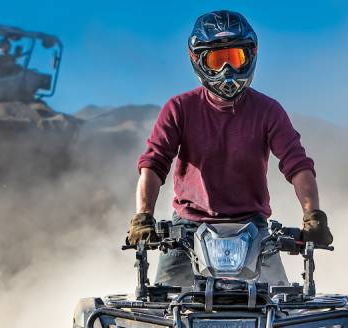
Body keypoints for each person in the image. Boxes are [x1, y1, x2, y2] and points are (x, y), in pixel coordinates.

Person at [129, 10, 333, 287]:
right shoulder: (179, 108)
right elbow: (154, 163)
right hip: (188, 227)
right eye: (217, 60)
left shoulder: (268, 111)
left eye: (235, 58)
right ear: (198, 61)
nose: (227, 70)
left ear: (251, 56)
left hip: (253, 227)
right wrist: (143, 217)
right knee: (162, 301)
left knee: (281, 299)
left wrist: (313, 216)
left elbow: (297, 165)